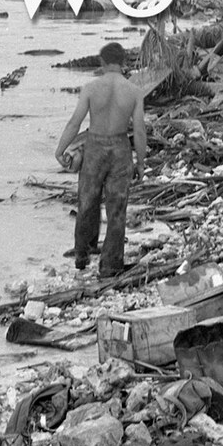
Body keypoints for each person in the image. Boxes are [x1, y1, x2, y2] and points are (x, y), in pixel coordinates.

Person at [54, 43, 148, 277]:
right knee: (117, 208)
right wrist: (141, 163)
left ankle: (82, 255)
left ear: (102, 63)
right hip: (120, 149)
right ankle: (110, 264)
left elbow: (75, 122)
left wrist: (60, 150)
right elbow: (139, 131)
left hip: (95, 147)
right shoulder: (134, 91)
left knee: (87, 201)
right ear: (123, 63)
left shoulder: (90, 88)